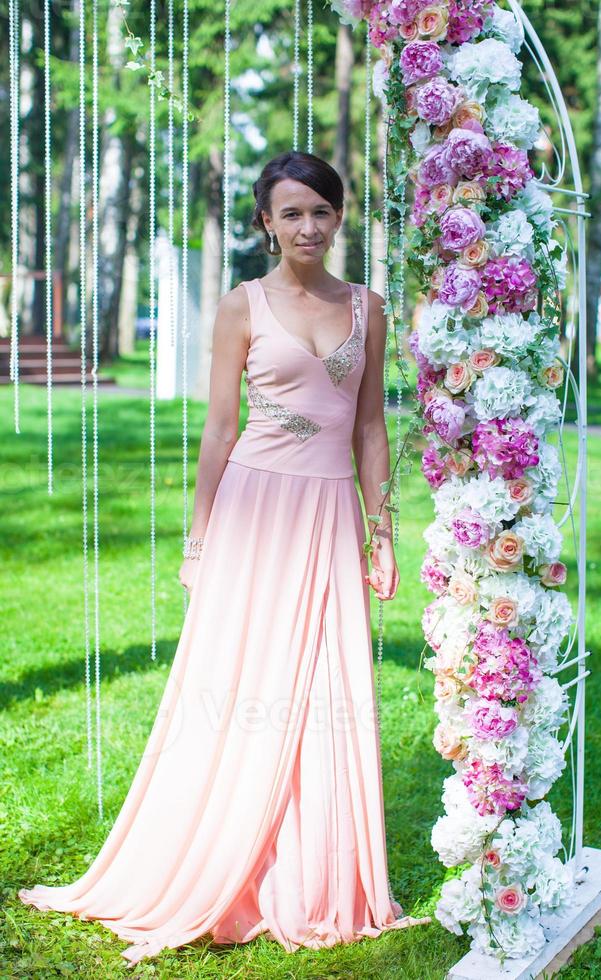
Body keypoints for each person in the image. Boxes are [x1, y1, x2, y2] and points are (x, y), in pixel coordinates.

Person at [18, 150, 432, 966]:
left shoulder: (368, 307)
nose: (306, 226)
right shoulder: (241, 307)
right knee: (236, 681)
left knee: (322, 683)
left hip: (325, 512)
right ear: (264, 224)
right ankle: (216, 851)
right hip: (251, 510)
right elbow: (218, 429)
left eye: (319, 210)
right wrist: (197, 541)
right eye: (290, 213)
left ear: (338, 216)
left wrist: (381, 533)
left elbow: (370, 428)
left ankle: (308, 871)